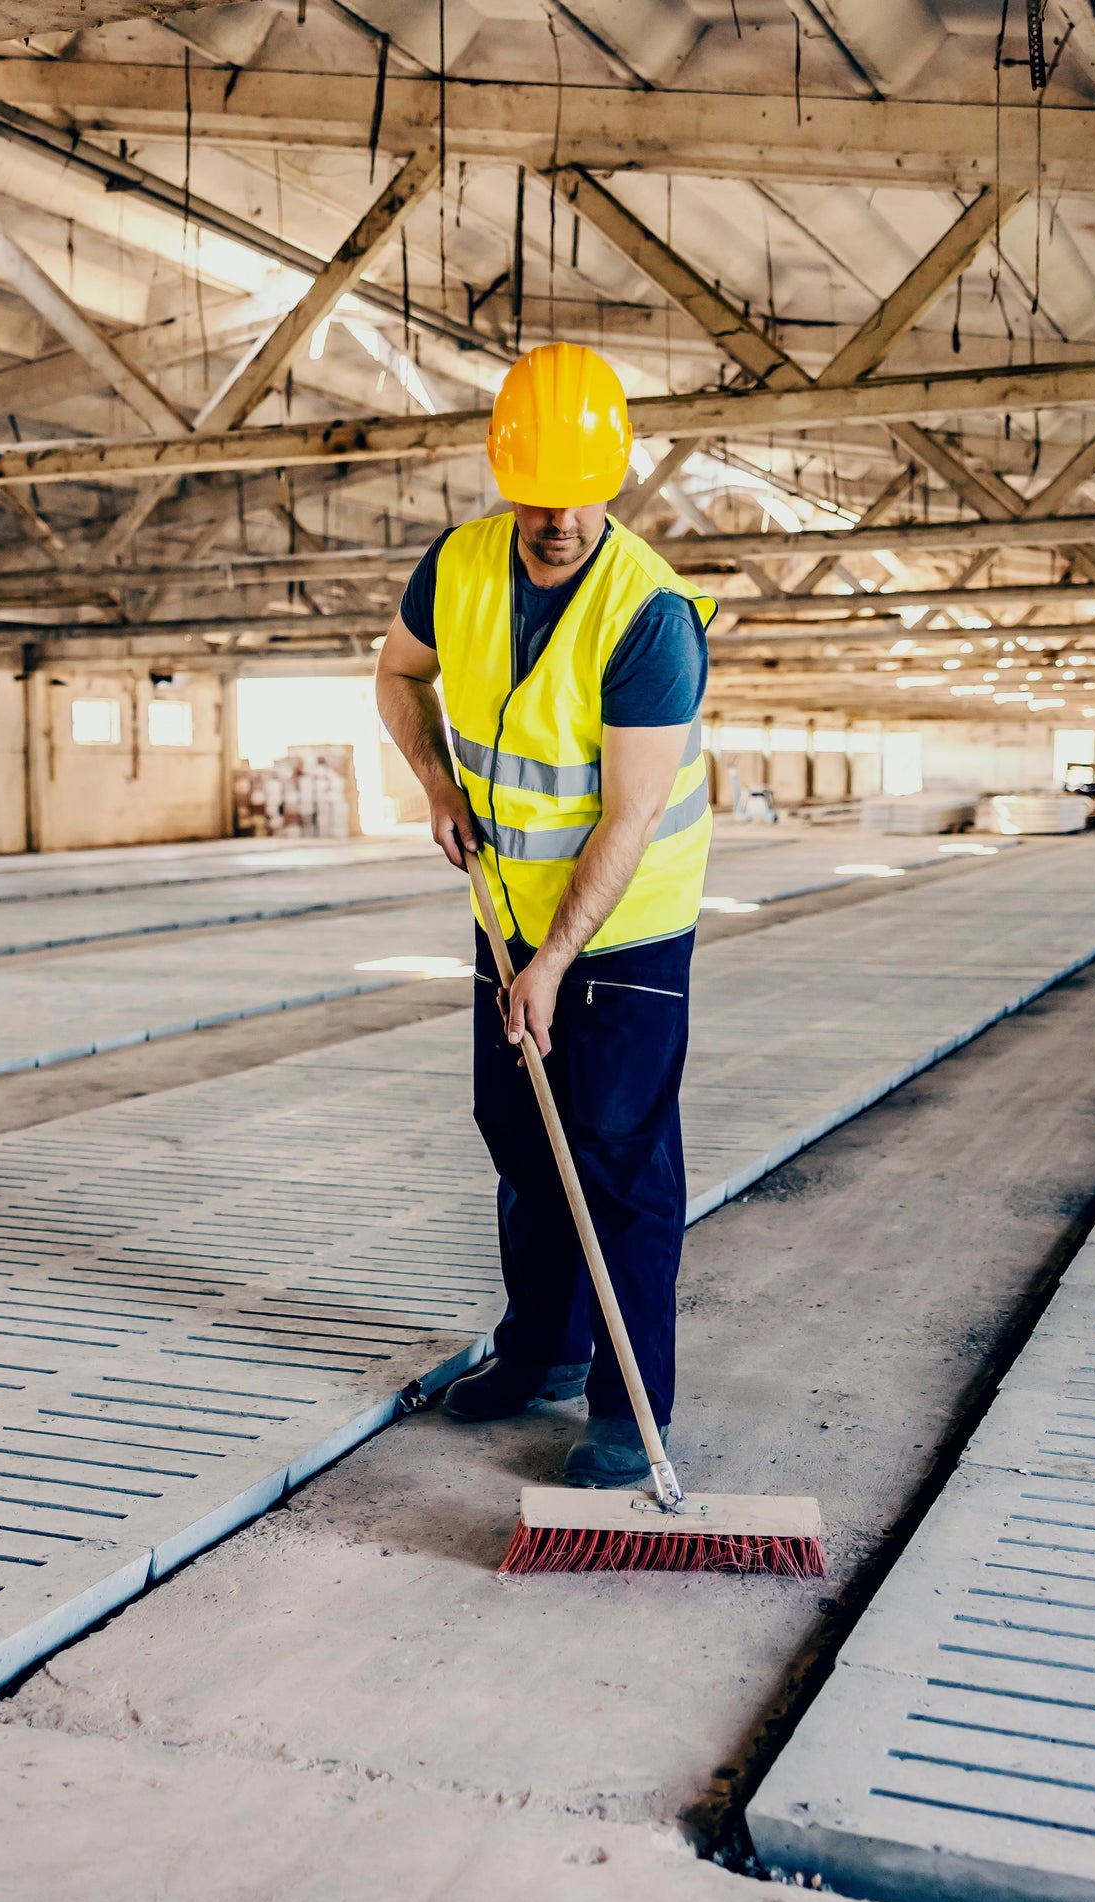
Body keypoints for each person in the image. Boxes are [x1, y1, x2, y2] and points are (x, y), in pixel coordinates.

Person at [374, 342, 714, 1489]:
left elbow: (627, 817)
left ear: (611, 481)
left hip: (622, 930)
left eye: (578, 495)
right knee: (521, 1138)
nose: (556, 518)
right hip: (505, 911)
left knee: (616, 1162)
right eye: (535, 494)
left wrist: (556, 959)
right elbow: (397, 677)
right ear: (503, 472)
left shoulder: (648, 617)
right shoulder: (457, 566)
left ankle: (629, 1406)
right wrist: (435, 784)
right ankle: (543, 1351)